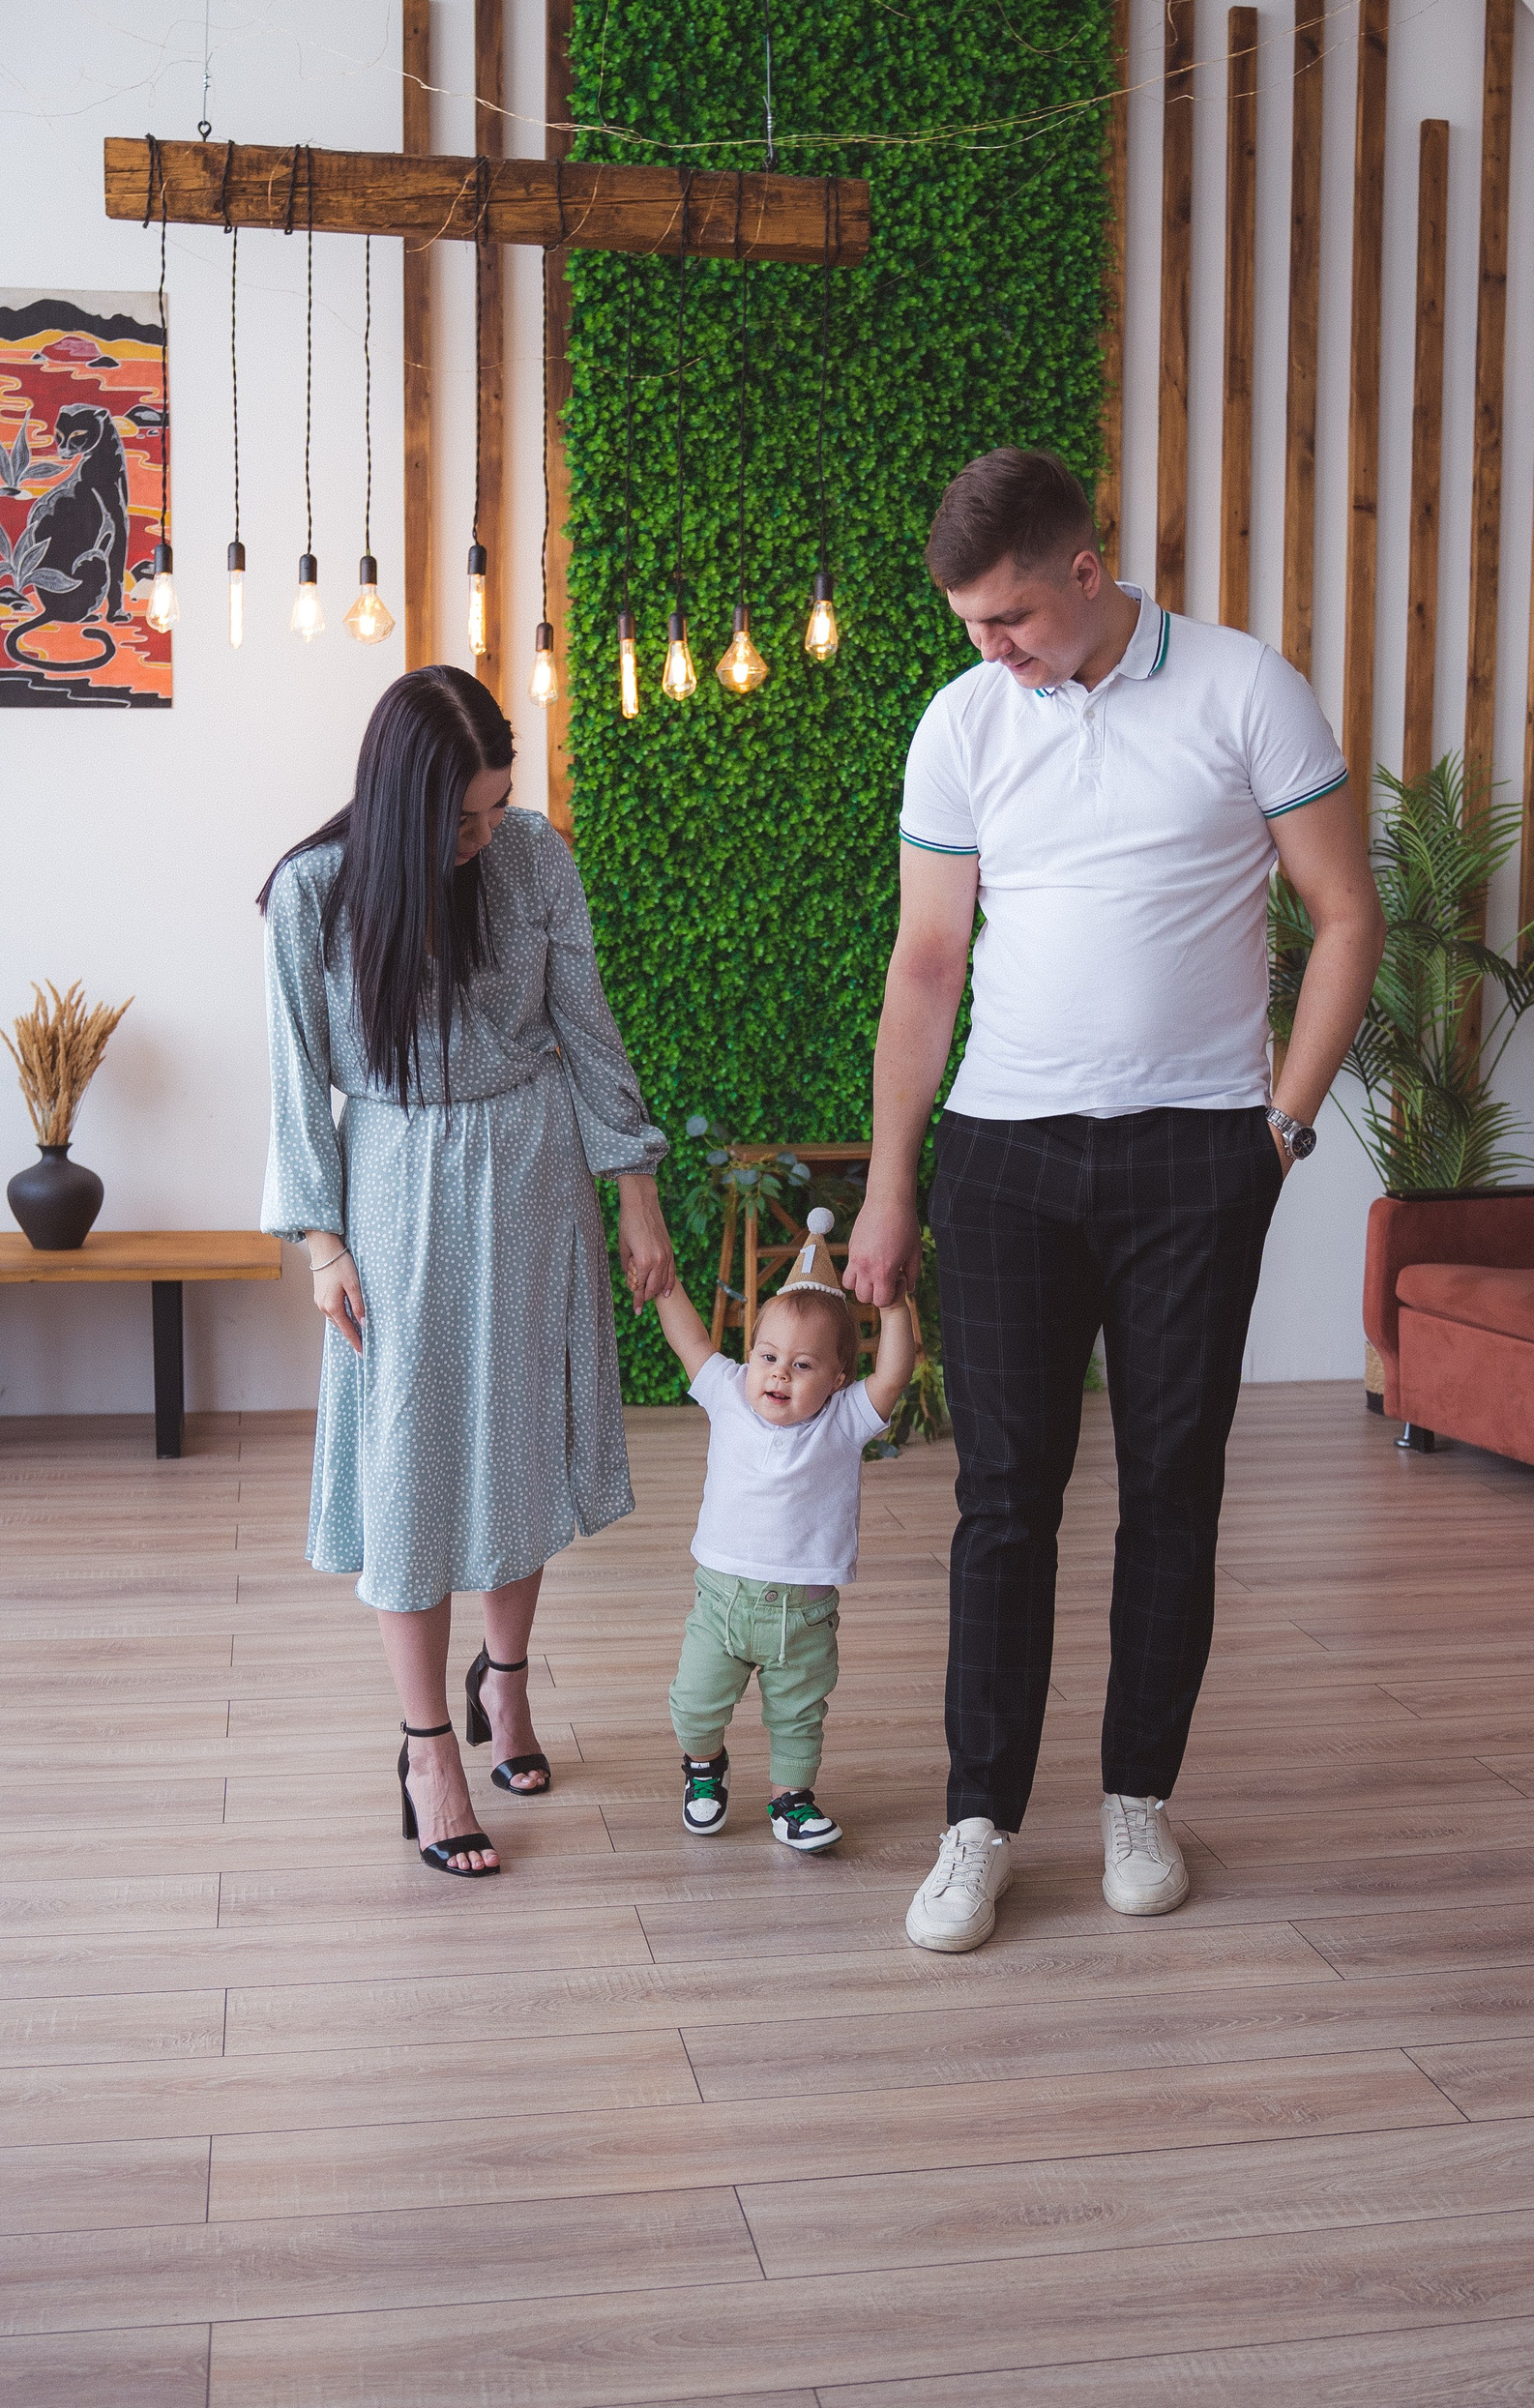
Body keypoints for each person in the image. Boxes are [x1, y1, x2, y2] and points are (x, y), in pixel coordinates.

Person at [843, 449, 1383, 1953]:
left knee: (1174, 1492)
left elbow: (1347, 915)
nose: (990, 649)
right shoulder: (963, 721)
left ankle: (1139, 1797)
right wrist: (891, 1183)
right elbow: (925, 965)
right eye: (969, 624)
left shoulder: (1245, 690)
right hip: (1004, 1160)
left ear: (1087, 572)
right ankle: (979, 1823)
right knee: (1002, 1504)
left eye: (1011, 618)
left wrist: (1278, 1134)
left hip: (1195, 1161)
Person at [258, 664, 674, 1878]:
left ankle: (507, 1682)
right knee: (410, 1465)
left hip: (534, 1172)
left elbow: (587, 1027)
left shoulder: (533, 857)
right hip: (392, 1192)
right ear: (402, 804)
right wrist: (322, 1244)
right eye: (460, 819)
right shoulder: (314, 892)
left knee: (518, 1438)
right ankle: (427, 1747)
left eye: (495, 807)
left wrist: (636, 1189)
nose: (484, 834)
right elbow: (294, 1076)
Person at [653, 1209, 916, 1853]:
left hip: (804, 1616)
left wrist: (892, 1307)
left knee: (799, 1717)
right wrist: (665, 1283)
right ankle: (704, 1766)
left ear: (837, 1379)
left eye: (802, 1366)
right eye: (767, 1357)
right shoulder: (727, 1394)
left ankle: (791, 1800)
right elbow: (690, 1341)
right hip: (721, 1602)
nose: (778, 1374)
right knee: (693, 1702)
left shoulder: (845, 1420)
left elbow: (893, 1374)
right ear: (749, 1357)